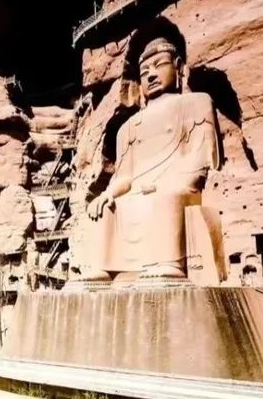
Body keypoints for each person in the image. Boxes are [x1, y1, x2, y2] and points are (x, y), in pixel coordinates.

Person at [80, 17, 221, 282]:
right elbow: (125, 176)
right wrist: (108, 193)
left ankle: (170, 264)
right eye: (144, 72)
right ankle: (105, 270)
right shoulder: (129, 127)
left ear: (178, 67)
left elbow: (200, 158)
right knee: (106, 208)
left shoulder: (196, 103)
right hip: (139, 191)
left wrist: (165, 184)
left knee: (166, 198)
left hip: (177, 187)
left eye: (159, 65)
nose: (151, 75)